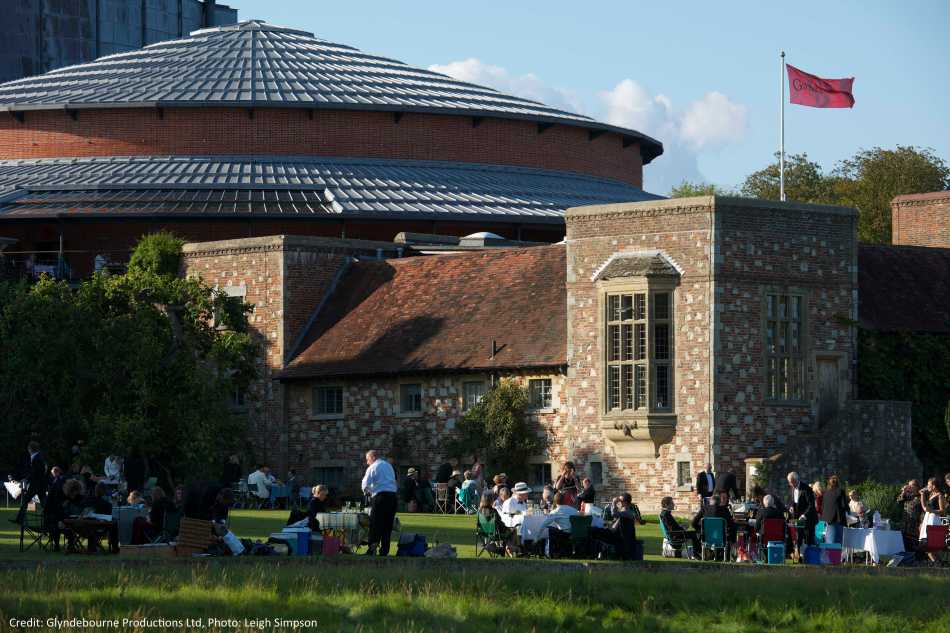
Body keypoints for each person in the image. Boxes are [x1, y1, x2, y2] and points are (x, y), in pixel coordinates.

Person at [361, 450, 398, 556]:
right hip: (392, 497)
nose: (367, 462)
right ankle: (384, 550)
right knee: (387, 525)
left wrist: (367, 492)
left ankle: (372, 549)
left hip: (380, 497)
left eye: (367, 459)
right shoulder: (389, 466)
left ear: (372, 458)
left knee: (375, 524)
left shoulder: (373, 467)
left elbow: (365, 484)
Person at [12, 441, 48, 525]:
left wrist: (26, 479)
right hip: (40, 485)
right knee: (44, 504)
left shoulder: (36, 458)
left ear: (30, 449)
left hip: (36, 484)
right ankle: (49, 520)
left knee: (25, 501)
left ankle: (19, 519)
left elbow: (34, 472)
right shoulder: (39, 457)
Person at [918, 477, 947, 560]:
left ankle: (939, 565)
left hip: (935, 520)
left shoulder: (940, 495)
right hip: (928, 519)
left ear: (934, 486)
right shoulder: (931, 495)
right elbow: (924, 508)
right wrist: (922, 495)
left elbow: (942, 511)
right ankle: (938, 564)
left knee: (932, 546)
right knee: (927, 547)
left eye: (929, 484)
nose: (927, 486)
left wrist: (931, 510)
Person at [787, 471, 818, 548]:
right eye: (790, 483)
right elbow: (792, 501)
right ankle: (799, 557)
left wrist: (804, 515)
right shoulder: (792, 489)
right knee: (798, 540)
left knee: (809, 541)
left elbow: (811, 505)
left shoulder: (807, 489)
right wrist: (791, 507)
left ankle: (810, 558)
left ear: (796, 480)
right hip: (798, 519)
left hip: (809, 519)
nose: (791, 484)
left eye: (792, 482)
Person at [45, 466, 67, 551]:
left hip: (55, 509)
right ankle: (56, 543)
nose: (53, 475)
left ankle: (56, 544)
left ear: (57, 472)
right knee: (56, 525)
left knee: (55, 525)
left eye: (53, 473)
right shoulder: (58, 481)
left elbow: (56, 496)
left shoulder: (59, 481)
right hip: (55, 509)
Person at [897, 479, 923, 551]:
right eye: (909, 485)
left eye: (912, 485)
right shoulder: (907, 495)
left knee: (913, 545)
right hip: (905, 525)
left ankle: (915, 560)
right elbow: (898, 502)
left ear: (917, 487)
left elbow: (923, 511)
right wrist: (903, 491)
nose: (909, 486)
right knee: (904, 544)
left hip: (914, 526)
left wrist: (921, 523)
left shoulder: (921, 496)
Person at [820, 475, 848, 542]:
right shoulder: (840, 491)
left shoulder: (825, 493)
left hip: (827, 520)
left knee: (829, 542)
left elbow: (823, 506)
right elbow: (844, 505)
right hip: (837, 519)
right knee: (837, 542)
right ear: (838, 483)